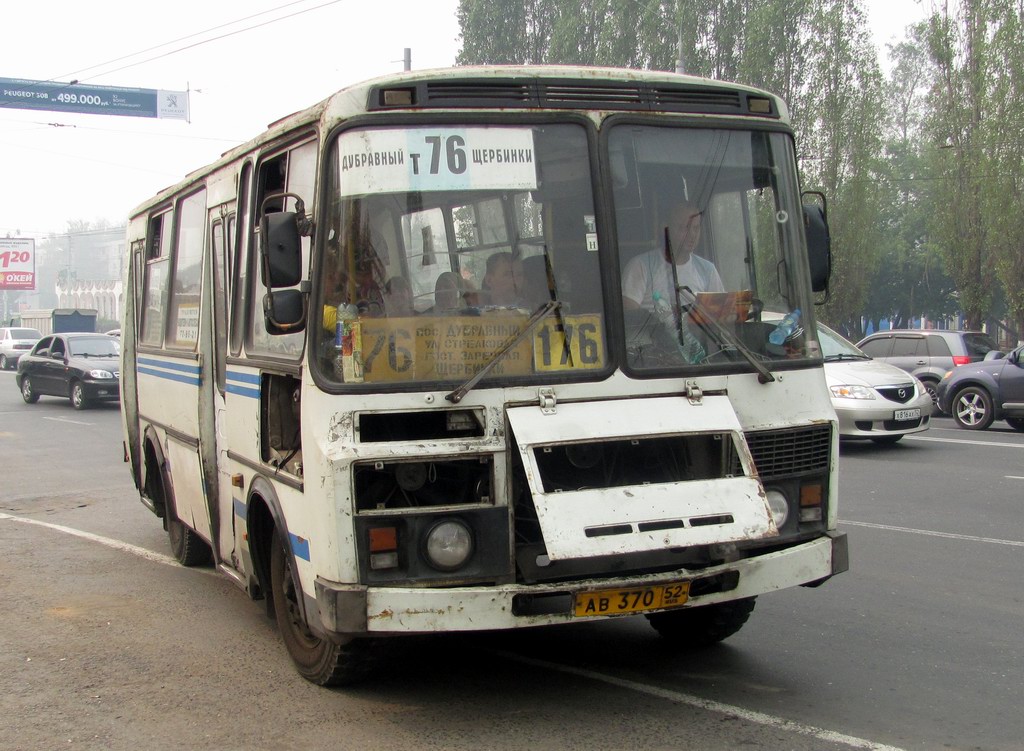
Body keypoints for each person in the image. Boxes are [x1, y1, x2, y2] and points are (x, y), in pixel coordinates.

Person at [621, 200, 724, 311]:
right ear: (666, 229)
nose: (692, 234)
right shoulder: (641, 266)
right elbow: (630, 318)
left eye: (696, 228)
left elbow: (721, 316)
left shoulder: (708, 270)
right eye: (684, 228)